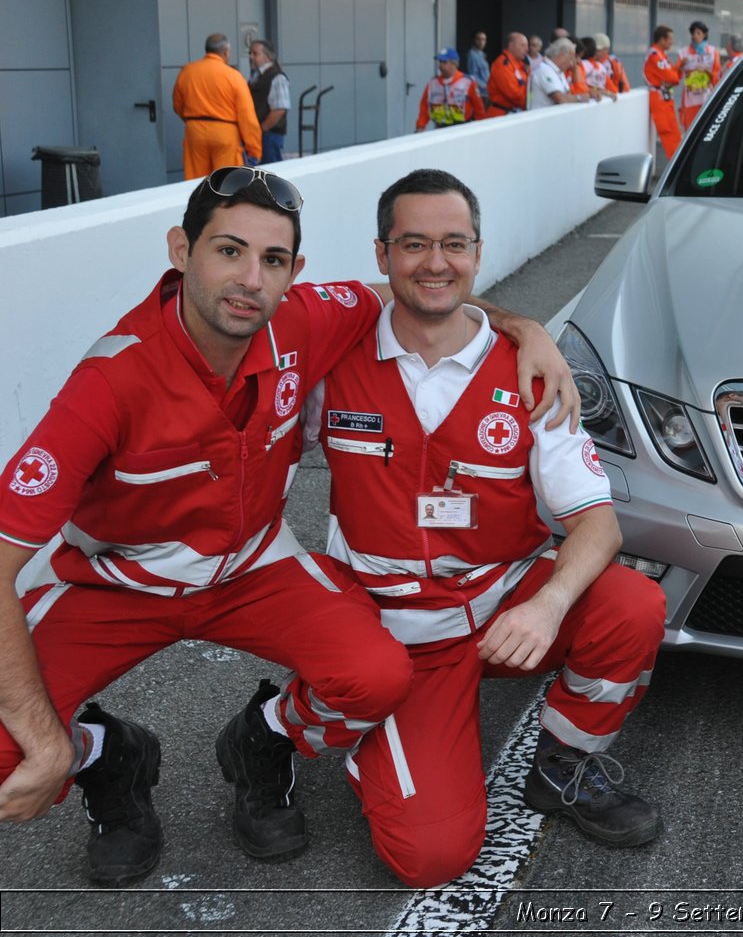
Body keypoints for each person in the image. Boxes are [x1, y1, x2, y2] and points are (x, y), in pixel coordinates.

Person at [0, 167, 580, 885]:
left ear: (295, 272)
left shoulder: (302, 317)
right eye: (228, 250)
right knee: (9, 741)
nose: (250, 278)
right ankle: (105, 757)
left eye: (272, 260)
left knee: (375, 673)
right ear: (181, 250)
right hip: (120, 584)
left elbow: (422, 292)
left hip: (253, 569)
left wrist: (522, 329)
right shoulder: (110, 382)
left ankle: (260, 739)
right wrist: (45, 742)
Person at [306, 169, 666, 886]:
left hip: (500, 604)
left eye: (454, 243)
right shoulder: (330, 354)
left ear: (477, 249)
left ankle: (562, 765)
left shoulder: (532, 371)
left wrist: (548, 603)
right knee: (431, 855)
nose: (436, 262)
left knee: (631, 604)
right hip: (394, 634)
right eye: (413, 244)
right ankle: (325, 725)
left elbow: (596, 523)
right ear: (381, 254)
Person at [172, 34, 262, 179]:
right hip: (225, 133)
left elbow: (178, 105)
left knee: (197, 183)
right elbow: (247, 116)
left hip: (195, 131)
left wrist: (193, 120)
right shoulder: (233, 76)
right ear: (226, 52)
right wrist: (254, 150)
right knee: (226, 183)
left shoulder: (187, 72)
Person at [415, 48, 485, 131]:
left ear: (454, 64)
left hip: (463, 128)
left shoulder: (468, 82)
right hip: (440, 129)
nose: (440, 65)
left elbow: (479, 108)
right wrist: (420, 126)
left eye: (444, 62)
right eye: (440, 62)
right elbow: (425, 107)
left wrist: (480, 129)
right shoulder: (433, 83)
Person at [247, 40, 291, 165]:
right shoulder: (256, 77)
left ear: (267, 57)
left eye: (255, 54)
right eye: (250, 53)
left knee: (271, 175)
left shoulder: (277, 77)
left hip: (270, 135)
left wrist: (262, 129)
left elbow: (280, 108)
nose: (250, 57)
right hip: (261, 134)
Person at [643, 25, 682, 158]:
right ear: (662, 39)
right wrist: (674, 75)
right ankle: (675, 163)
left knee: (674, 131)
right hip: (659, 98)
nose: (672, 42)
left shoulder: (661, 54)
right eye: (670, 39)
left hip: (665, 96)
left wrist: (678, 68)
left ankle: (678, 160)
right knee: (668, 132)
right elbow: (672, 77)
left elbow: (675, 77)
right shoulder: (654, 55)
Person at [676, 20, 720, 129]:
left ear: (704, 34)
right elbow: (676, 76)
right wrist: (681, 65)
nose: (695, 36)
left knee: (706, 127)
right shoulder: (683, 53)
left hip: (706, 96)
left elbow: (717, 75)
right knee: (690, 128)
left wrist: (706, 71)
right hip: (690, 98)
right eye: (693, 33)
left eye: (698, 33)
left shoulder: (713, 51)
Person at [485, 33, 530, 117]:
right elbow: (514, 94)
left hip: (514, 113)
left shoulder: (521, 65)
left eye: (527, 46)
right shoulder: (502, 64)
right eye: (523, 45)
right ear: (511, 45)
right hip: (501, 116)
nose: (527, 49)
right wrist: (530, 101)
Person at [530, 38, 581, 109]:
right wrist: (580, 98)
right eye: (570, 59)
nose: (571, 64)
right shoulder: (544, 70)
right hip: (541, 117)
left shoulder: (559, 71)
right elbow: (561, 99)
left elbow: (568, 95)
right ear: (561, 56)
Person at [465, 31, 491, 101]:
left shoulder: (482, 54)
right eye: (478, 39)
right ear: (474, 40)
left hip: (487, 91)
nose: (481, 42)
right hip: (481, 93)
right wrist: (486, 87)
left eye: (483, 40)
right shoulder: (472, 54)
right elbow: (473, 75)